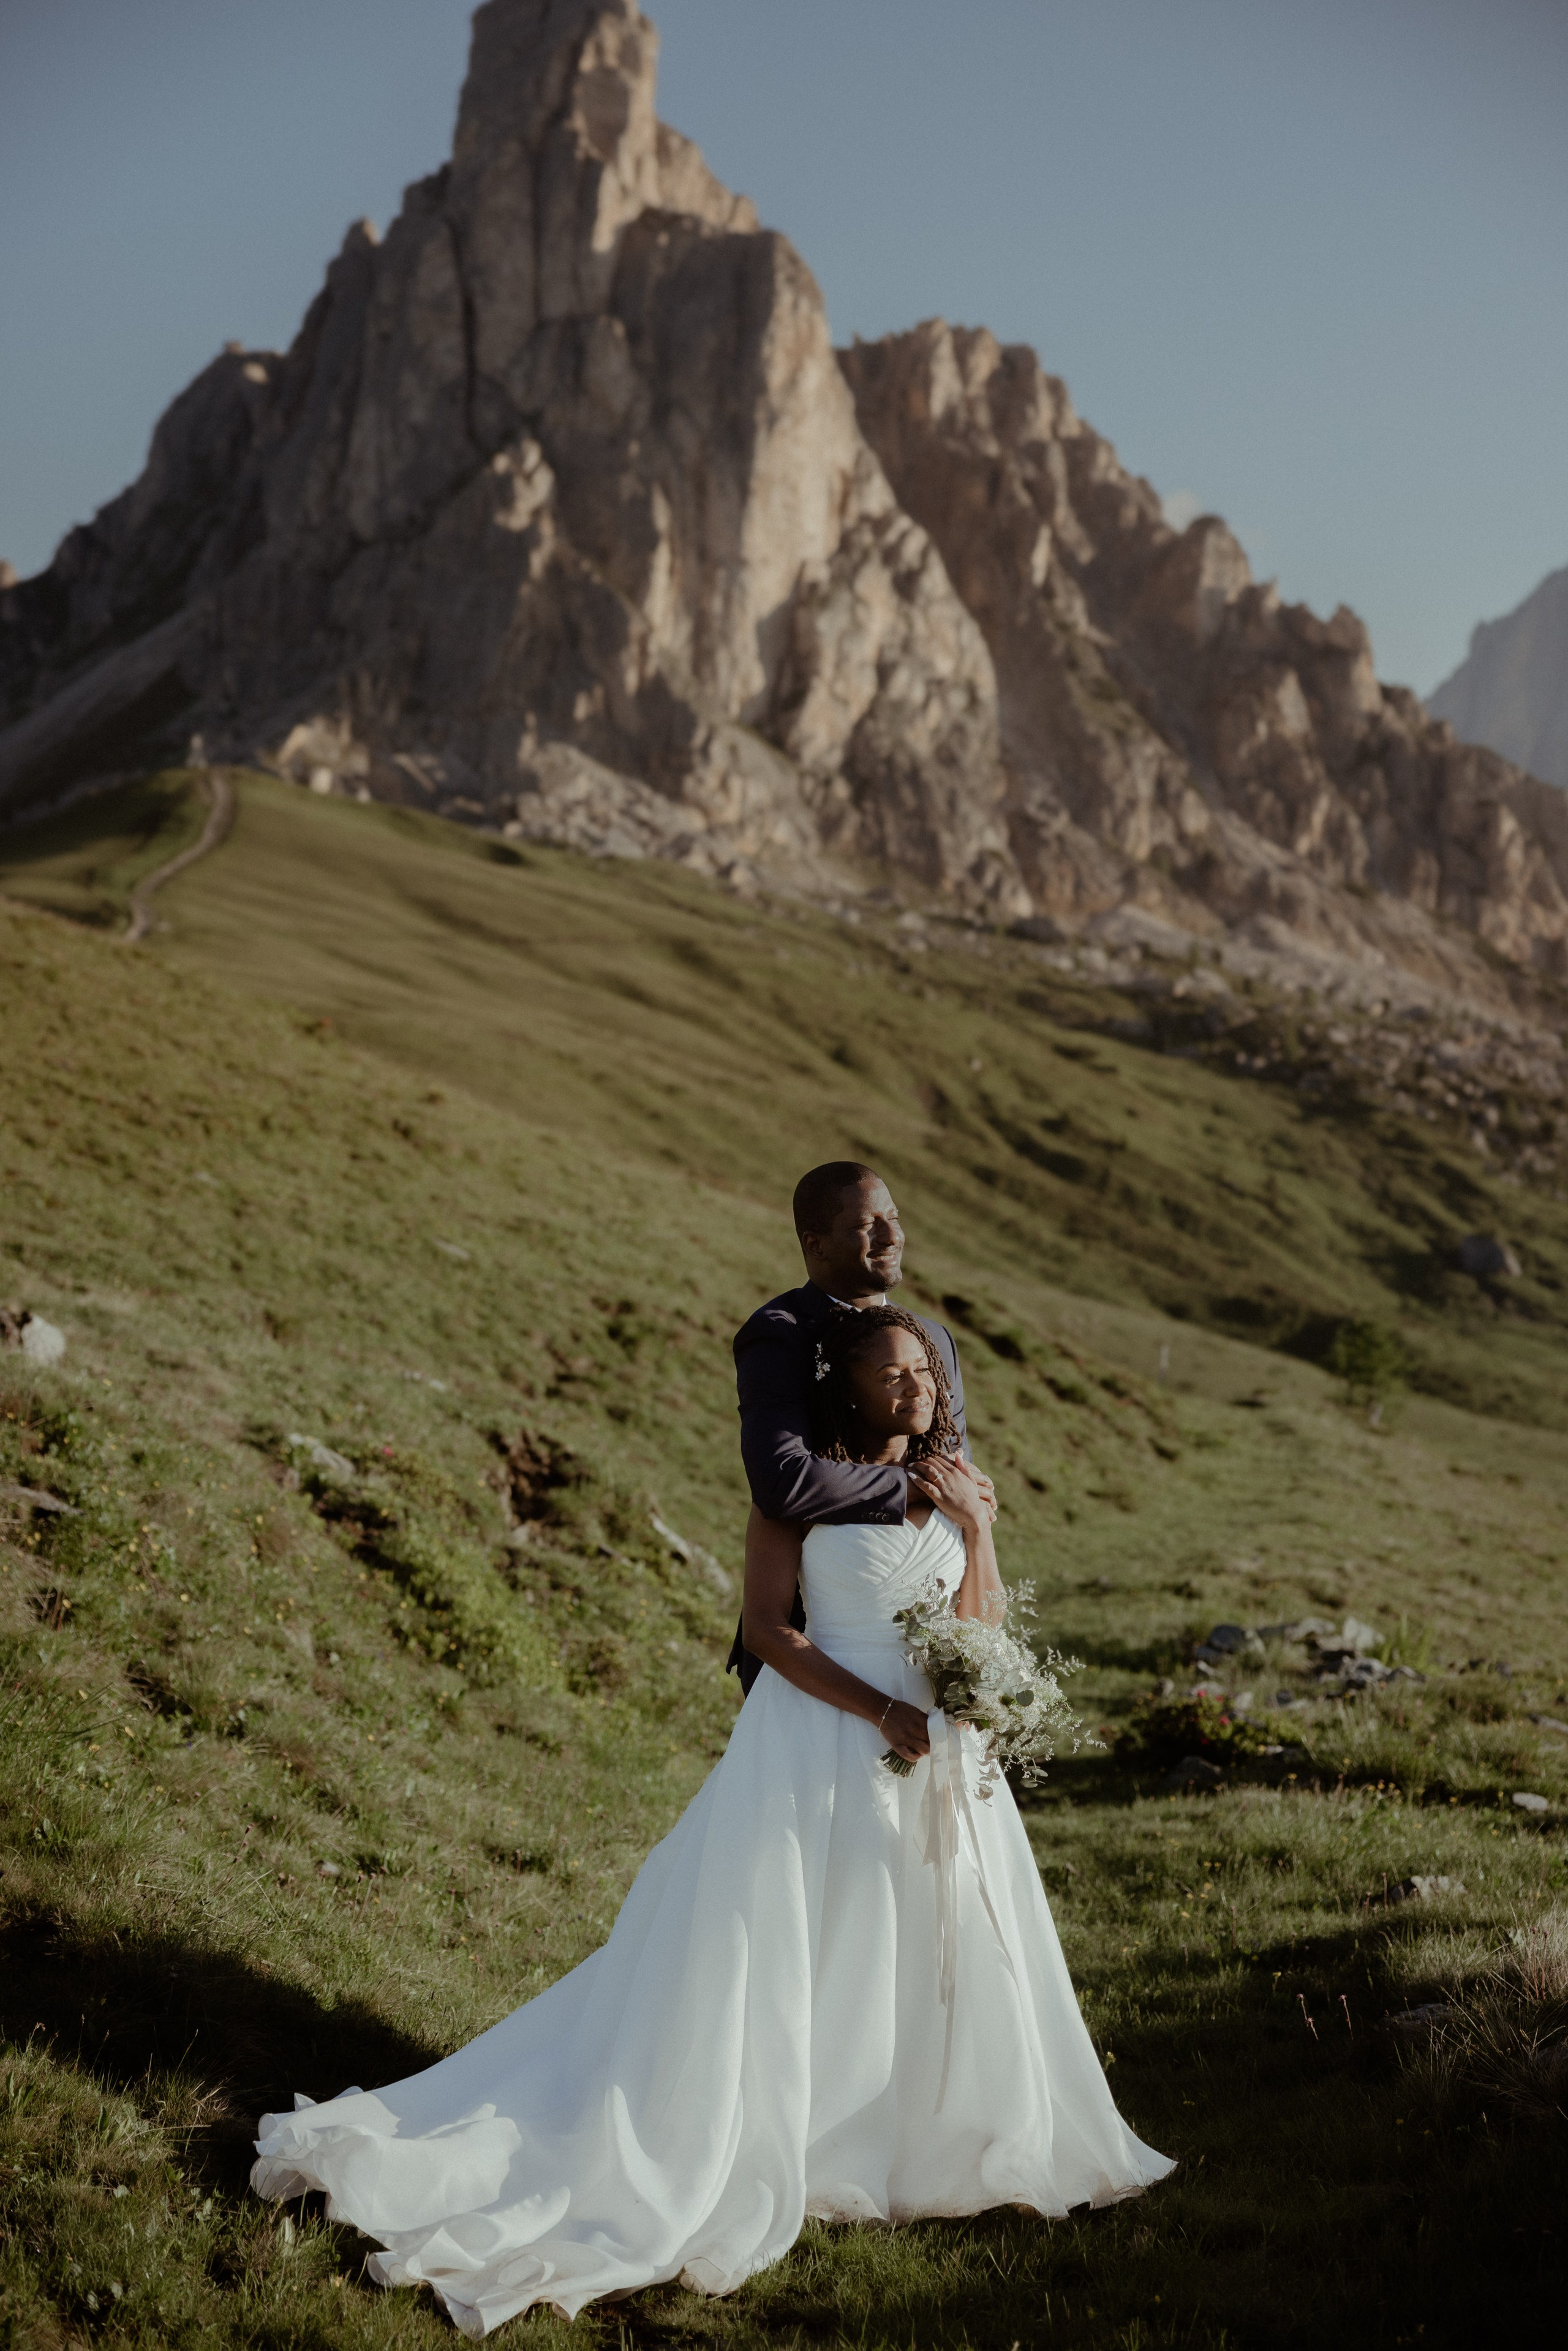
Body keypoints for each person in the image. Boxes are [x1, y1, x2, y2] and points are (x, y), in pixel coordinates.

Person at [251, 1300, 1172, 2336]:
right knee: (784, 1937)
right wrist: (881, 1710)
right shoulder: (798, 1497)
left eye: (927, 1371)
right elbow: (770, 1631)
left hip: (938, 1745)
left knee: (921, 1931)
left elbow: (984, 1615)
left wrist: (981, 1529)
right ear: (847, 1389)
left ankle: (901, 2137)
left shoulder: (958, 1487)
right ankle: (739, 2135)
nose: (919, 1387)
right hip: (820, 1730)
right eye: (893, 1372)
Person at [728, 1160, 990, 1692]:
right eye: (866, 1225)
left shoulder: (934, 1339)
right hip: (818, 1650)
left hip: (934, 1650)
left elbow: (958, 1473)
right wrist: (924, 1486)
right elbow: (785, 1481)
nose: (891, 1236)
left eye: (893, 1217)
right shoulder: (779, 1337)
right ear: (816, 1244)